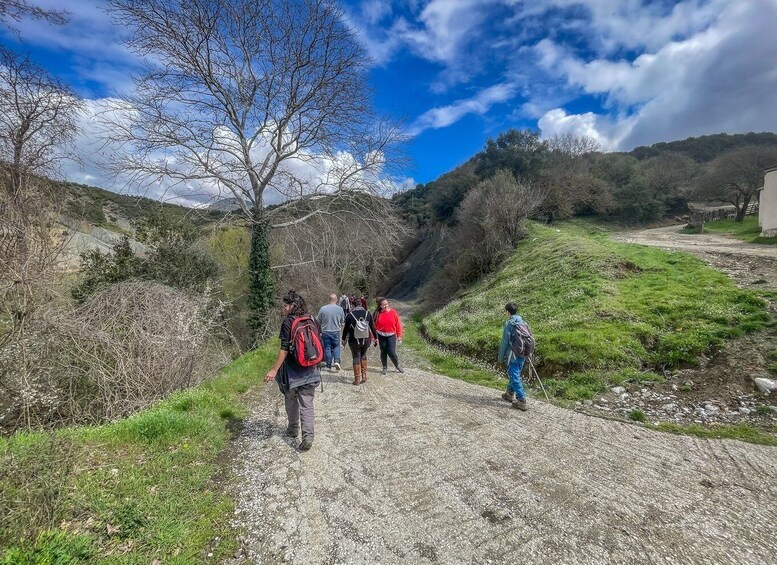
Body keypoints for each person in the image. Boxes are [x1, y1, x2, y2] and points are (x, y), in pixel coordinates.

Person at [264, 290, 322, 450]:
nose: (283, 309)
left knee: (290, 400)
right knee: (307, 404)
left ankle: (293, 428)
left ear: (292, 306)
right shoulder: (311, 318)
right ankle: (308, 436)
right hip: (311, 369)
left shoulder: (288, 322)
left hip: (292, 372)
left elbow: (284, 349)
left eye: (285, 306)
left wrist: (274, 370)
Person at [498, 302, 528, 411]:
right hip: (523, 353)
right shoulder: (523, 322)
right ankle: (509, 394)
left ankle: (521, 400)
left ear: (507, 312)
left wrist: (500, 358)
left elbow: (504, 342)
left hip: (513, 354)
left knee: (514, 375)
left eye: (505, 311)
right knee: (515, 372)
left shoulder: (509, 324)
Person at [342, 296, 377, 385]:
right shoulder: (367, 313)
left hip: (354, 340)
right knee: (363, 354)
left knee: (356, 356)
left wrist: (343, 339)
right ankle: (364, 376)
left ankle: (357, 379)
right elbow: (372, 327)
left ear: (353, 305)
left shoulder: (350, 315)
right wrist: (376, 338)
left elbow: (345, 329)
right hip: (366, 339)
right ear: (361, 304)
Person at [373, 297, 403, 374]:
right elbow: (373, 327)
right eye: (384, 305)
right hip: (381, 335)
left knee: (391, 352)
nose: (386, 306)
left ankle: (397, 365)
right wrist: (374, 338)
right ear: (380, 306)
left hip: (391, 335)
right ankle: (384, 367)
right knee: (383, 351)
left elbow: (398, 324)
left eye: (387, 304)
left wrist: (399, 335)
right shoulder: (377, 314)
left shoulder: (393, 312)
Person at [316, 293, 345, 372]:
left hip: (325, 331)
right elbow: (342, 321)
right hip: (336, 331)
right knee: (336, 346)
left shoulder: (323, 308)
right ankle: (336, 361)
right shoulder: (340, 309)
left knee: (327, 348)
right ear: (336, 300)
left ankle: (328, 365)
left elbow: (318, 320)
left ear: (329, 299)